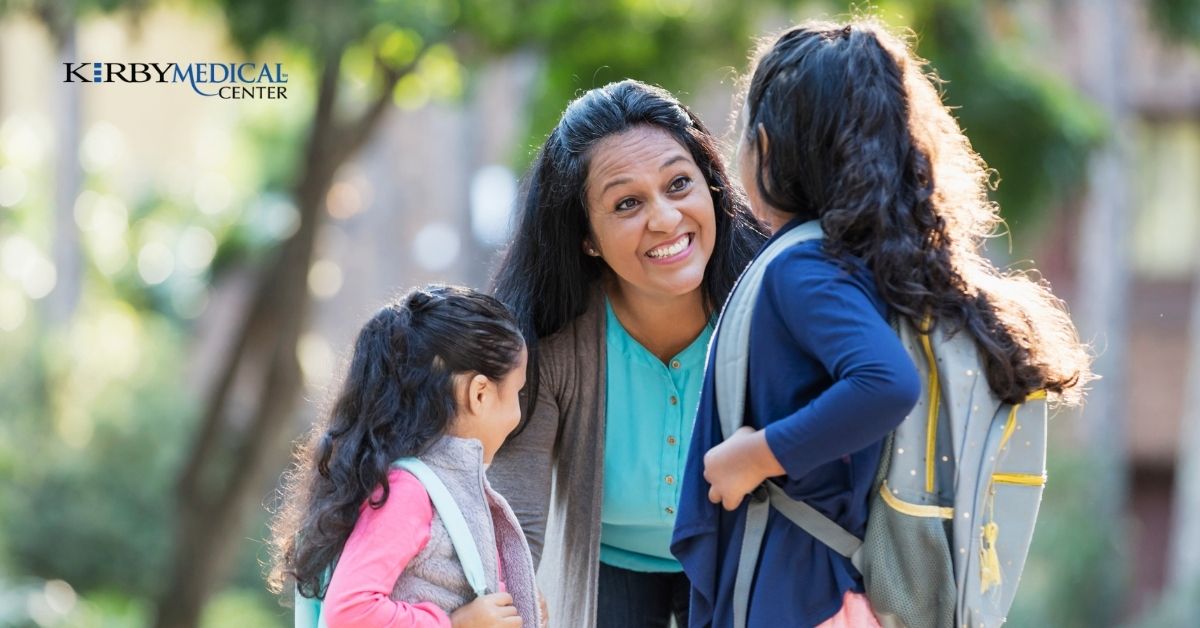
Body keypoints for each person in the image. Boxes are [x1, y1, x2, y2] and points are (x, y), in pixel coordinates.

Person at [671, 19, 1094, 627]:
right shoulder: (868, 267)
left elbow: (886, 383)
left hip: (801, 597)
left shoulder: (805, 269)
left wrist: (758, 456)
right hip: (841, 595)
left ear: (765, 147)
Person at [489, 79, 767, 627]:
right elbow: (515, 513)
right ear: (586, 236)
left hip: (742, 554)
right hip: (606, 564)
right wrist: (505, 605)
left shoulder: (771, 305)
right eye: (627, 203)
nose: (664, 219)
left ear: (712, 187)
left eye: (679, 183)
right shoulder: (550, 338)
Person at [268, 285, 541, 628]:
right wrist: (457, 624)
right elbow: (348, 613)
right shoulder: (407, 491)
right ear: (480, 394)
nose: (519, 413)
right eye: (517, 392)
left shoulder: (443, 488)